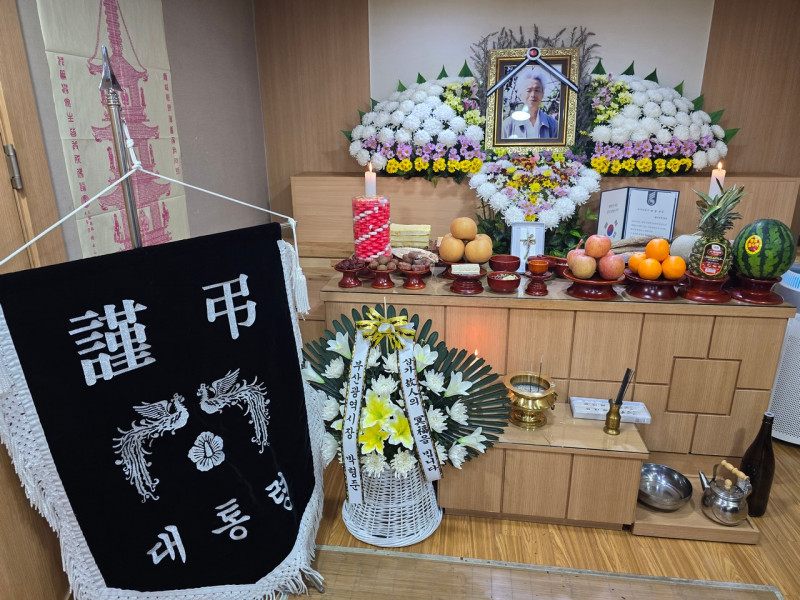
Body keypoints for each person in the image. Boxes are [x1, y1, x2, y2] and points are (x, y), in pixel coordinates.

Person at [501, 69, 558, 140]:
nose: (533, 95)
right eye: (528, 90)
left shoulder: (553, 125)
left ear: (542, 94)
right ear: (521, 95)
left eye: (537, 90)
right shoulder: (508, 125)